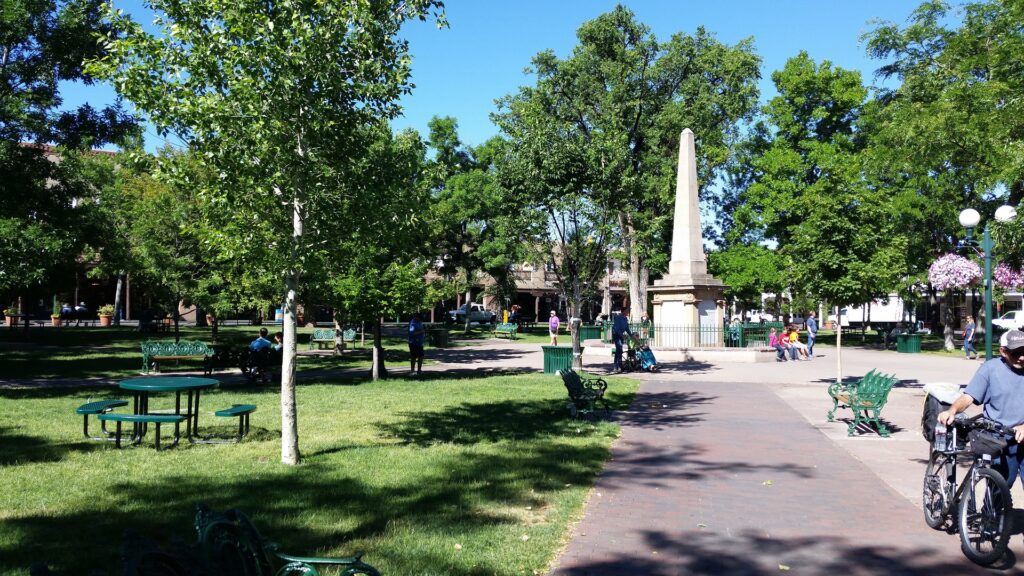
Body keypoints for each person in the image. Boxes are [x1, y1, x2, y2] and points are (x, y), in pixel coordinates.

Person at [938, 330, 1024, 488]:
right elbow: (968, 397)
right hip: (999, 438)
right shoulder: (990, 369)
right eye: (1016, 353)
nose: (1022, 357)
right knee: (1002, 485)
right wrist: (952, 411)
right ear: (1003, 351)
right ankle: (992, 511)